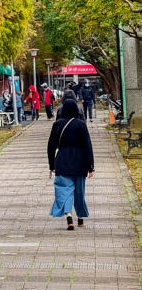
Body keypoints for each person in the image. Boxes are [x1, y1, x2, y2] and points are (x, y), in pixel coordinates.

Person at [47, 97, 95, 229]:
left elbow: (51, 147)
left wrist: (51, 165)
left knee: (64, 189)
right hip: (80, 162)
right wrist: (91, 166)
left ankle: (68, 214)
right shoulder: (81, 124)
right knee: (79, 191)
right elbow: (87, 146)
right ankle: (80, 218)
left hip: (62, 160)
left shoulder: (57, 125)